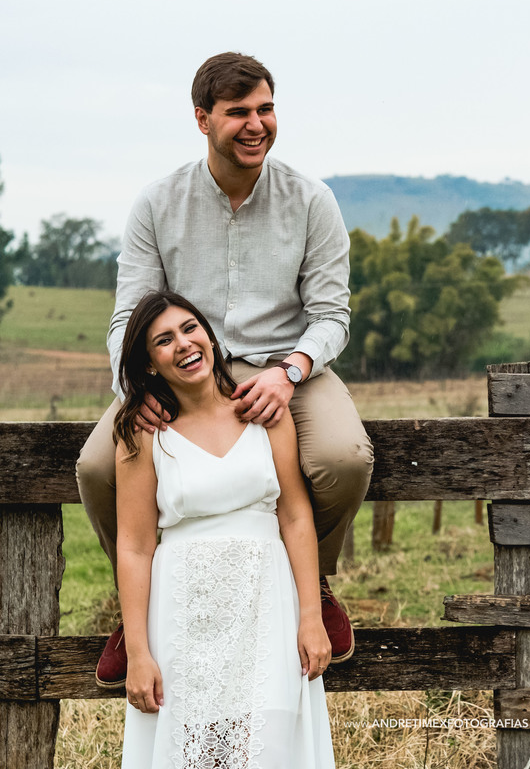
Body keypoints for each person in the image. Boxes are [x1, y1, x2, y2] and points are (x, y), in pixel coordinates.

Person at [77, 52, 374, 688]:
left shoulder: (312, 200)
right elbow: (128, 314)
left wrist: (290, 371)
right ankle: (137, 614)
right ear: (202, 119)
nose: (256, 124)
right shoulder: (158, 203)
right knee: (98, 465)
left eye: (266, 109)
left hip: (283, 363)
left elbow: (331, 316)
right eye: (238, 112)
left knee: (345, 457)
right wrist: (135, 389)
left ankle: (312, 587)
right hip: (185, 365)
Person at [116, 290, 335, 768]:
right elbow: (133, 546)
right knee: (196, 753)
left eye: (191, 328)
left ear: (210, 338)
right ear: (150, 363)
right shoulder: (142, 432)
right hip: (184, 614)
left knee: (269, 747)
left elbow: (295, 516)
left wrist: (310, 615)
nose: (184, 344)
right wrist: (138, 650)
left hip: (266, 605)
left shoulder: (262, 413)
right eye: (164, 340)